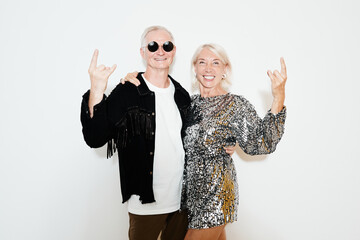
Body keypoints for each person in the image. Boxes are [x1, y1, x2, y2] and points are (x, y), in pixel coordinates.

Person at [122, 43, 287, 240]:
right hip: (186, 199)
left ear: (225, 70)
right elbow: (161, 124)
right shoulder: (185, 103)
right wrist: (131, 80)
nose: (208, 68)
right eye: (202, 62)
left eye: (215, 62)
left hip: (217, 195)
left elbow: (261, 143)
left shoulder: (235, 104)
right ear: (195, 68)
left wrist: (278, 97)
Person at [80, 26, 192, 240]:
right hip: (146, 202)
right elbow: (95, 137)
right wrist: (96, 89)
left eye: (166, 45)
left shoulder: (182, 95)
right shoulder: (128, 91)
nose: (160, 51)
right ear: (143, 52)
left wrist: (227, 145)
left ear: (174, 51)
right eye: (153, 46)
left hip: (181, 200)